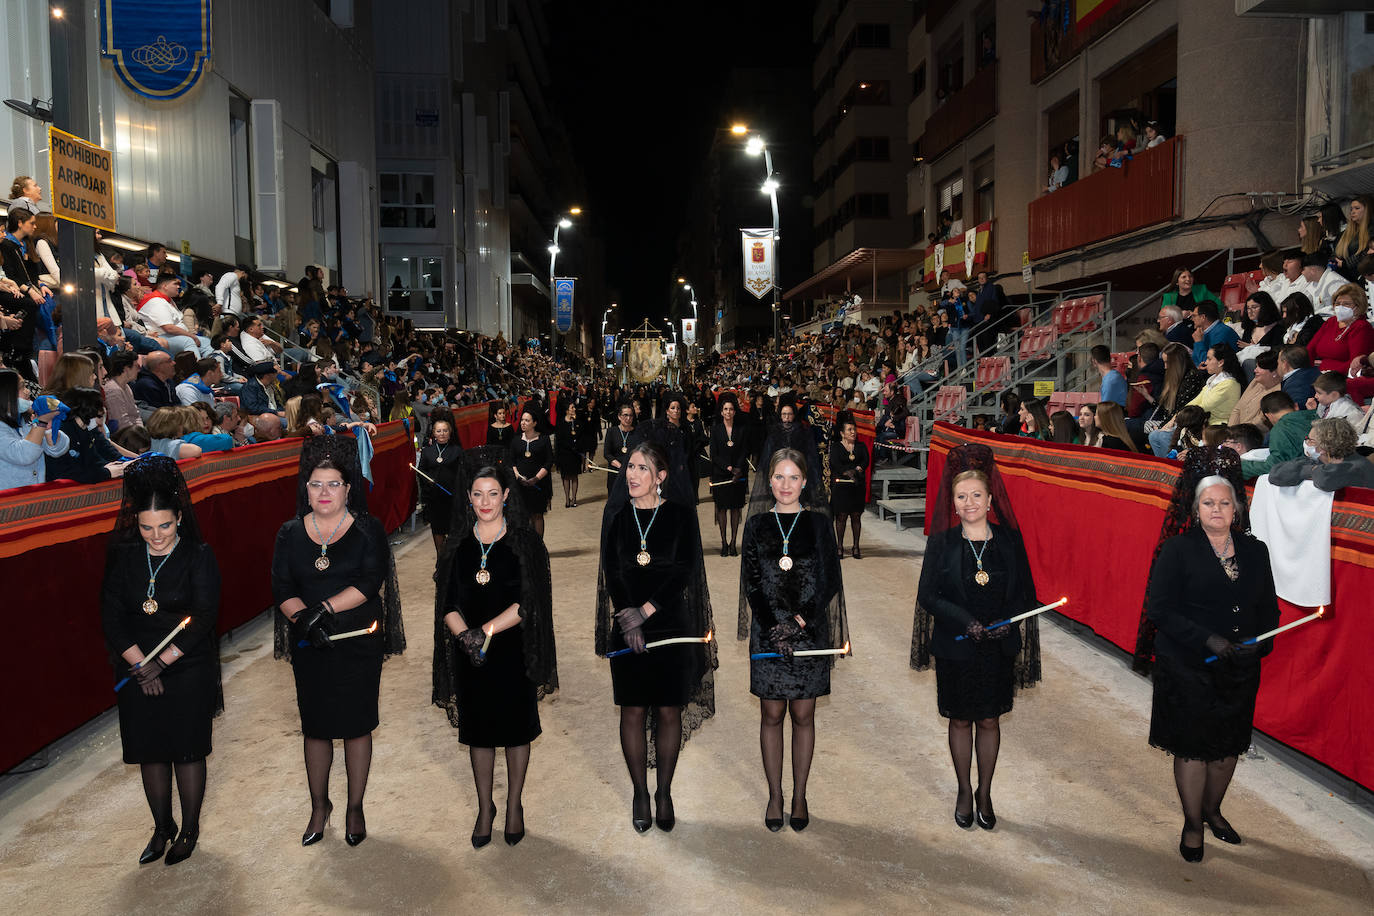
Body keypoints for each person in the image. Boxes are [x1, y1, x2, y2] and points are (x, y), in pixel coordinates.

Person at [272, 436, 405, 848]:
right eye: (316, 484)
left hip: (356, 640)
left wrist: (323, 610)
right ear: (305, 488)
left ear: (349, 488)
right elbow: (282, 585)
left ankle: (354, 807)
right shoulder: (290, 532)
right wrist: (302, 619)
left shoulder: (368, 530)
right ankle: (319, 806)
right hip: (310, 644)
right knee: (315, 726)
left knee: (355, 725)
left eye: (333, 484)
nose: (324, 492)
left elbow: (369, 582)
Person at [1143, 472, 1278, 862]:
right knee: (1194, 749)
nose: (1217, 510)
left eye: (1224, 503)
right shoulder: (1177, 550)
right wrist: (1209, 640)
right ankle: (1191, 823)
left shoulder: (1256, 551)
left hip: (1239, 668)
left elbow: (1268, 608)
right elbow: (1160, 610)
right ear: (1195, 509)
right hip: (1188, 665)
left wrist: (1262, 642)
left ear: (1236, 508)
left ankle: (1213, 811)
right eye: (1208, 503)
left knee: (1227, 747)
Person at [912, 444, 1043, 830]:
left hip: (996, 647)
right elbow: (928, 595)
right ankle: (964, 790)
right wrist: (964, 621)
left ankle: (985, 790)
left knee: (989, 720)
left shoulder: (1008, 541)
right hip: (956, 646)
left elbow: (1024, 593)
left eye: (976, 496)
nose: (969, 503)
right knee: (960, 720)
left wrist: (1010, 621)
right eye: (961, 496)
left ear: (990, 500)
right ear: (952, 502)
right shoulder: (943, 543)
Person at [100, 455, 221, 866]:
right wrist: (138, 664)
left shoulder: (198, 555)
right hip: (136, 666)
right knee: (149, 750)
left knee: (186, 749)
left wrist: (163, 663)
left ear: (179, 519)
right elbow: (111, 616)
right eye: (147, 527)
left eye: (164, 526)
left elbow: (203, 616)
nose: (156, 536)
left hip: (185, 664)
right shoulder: (124, 555)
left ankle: (188, 829)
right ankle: (161, 826)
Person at [432, 455, 558, 848]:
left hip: (512, 651)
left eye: (493, 494)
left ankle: (515, 805)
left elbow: (529, 603)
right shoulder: (458, 546)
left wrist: (484, 630)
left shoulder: (524, 542)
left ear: (506, 496)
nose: (485, 502)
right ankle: (485, 807)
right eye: (477, 495)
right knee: (480, 734)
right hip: (471, 653)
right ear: (468, 498)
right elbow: (447, 603)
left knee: (517, 731)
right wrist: (466, 637)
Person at [596, 439, 716, 833]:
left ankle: (663, 791)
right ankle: (639, 792)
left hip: (669, 624)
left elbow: (683, 570)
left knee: (668, 710)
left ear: (660, 477)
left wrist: (645, 612)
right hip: (627, 622)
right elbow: (613, 573)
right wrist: (629, 619)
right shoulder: (616, 517)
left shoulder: (680, 516)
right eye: (629, 467)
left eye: (641, 468)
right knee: (632, 709)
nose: (631, 474)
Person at [740, 447, 846, 832]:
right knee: (772, 714)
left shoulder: (819, 524)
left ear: (806, 482)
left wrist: (799, 622)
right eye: (779, 477)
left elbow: (830, 580)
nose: (786, 485)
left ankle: (800, 794)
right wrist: (774, 626)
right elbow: (752, 583)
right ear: (769, 481)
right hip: (768, 630)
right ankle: (775, 795)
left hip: (809, 630)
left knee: (803, 714)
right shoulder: (755, 526)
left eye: (794, 477)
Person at [0, 368, 69, 488]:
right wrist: (42, 421)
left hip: (34, 493)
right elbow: (24, 455)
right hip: (8, 499)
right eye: (22, 387)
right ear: (6, 394)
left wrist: (48, 429)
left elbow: (57, 450)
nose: (27, 392)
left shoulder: (26, 419)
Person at [708, 392, 749, 555]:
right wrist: (729, 468)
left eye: (731, 409)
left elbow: (744, 450)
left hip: (739, 474)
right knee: (722, 508)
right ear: (721, 412)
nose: (728, 412)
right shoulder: (716, 429)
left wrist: (738, 468)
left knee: (735, 509)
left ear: (734, 411)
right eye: (725, 409)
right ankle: (724, 542)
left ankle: (733, 543)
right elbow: (714, 453)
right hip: (721, 474)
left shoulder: (742, 429)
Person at [1241, 391, 1314, 479]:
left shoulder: (1280, 429)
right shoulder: (1319, 416)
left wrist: (1240, 466)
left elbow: (1274, 467)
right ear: (1296, 406)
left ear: (1268, 416)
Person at [418, 417, 463, 554]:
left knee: (454, 530)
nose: (442, 433)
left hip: (452, 497)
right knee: (437, 530)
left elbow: (463, 473)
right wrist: (428, 480)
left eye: (445, 431)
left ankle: (453, 560)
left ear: (450, 433)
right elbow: (421, 471)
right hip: (435, 499)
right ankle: (441, 560)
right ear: (434, 433)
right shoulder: (427, 451)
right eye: (439, 431)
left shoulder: (457, 450)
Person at [829, 412, 869, 558]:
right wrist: (847, 472)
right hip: (841, 487)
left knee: (856, 516)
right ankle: (839, 547)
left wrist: (857, 469)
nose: (853, 432)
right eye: (849, 430)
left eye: (854, 429)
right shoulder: (835, 447)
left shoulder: (861, 446)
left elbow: (865, 460)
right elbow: (835, 463)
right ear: (842, 433)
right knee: (841, 517)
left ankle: (856, 547)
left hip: (857, 486)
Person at [509, 407, 552, 538]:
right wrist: (518, 477)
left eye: (527, 420)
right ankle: (527, 547)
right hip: (520, 485)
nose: (523, 423)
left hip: (539, 484)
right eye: (522, 420)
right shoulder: (516, 440)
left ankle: (539, 546)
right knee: (524, 516)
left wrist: (536, 479)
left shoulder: (543, 440)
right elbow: (511, 462)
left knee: (537, 515)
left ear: (534, 423)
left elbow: (549, 462)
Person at [603, 399, 637, 492]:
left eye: (630, 415)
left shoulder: (637, 433)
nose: (628, 418)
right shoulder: (611, 431)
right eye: (625, 415)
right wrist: (620, 466)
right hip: (615, 473)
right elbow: (607, 453)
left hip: (632, 474)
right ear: (619, 416)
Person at [555, 399, 583, 508]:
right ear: (567, 410)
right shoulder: (561, 423)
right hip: (565, 454)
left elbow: (581, 435)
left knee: (574, 476)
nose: (574, 409)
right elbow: (559, 440)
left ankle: (574, 499)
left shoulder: (577, 422)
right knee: (566, 477)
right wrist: (569, 446)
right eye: (572, 408)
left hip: (575, 454)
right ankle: (567, 499)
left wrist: (576, 422)